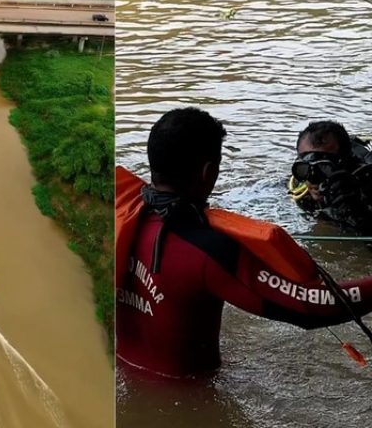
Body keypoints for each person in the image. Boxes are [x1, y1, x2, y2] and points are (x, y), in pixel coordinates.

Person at [115, 107, 372, 377]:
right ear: (209, 172)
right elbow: (312, 306)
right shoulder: (208, 249)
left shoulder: (119, 216)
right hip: (192, 396)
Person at [289, 120, 372, 231]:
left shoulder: (366, 184)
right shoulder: (301, 190)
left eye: (324, 168)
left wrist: (356, 213)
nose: (314, 179)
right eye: (306, 169)